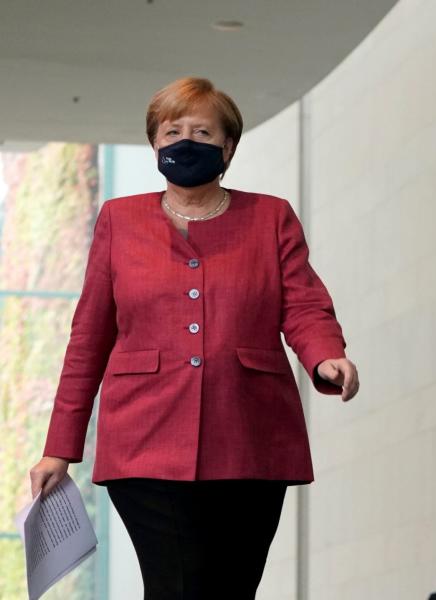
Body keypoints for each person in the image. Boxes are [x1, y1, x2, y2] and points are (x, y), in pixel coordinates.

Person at [27, 76, 359, 599]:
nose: (186, 141)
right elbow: (88, 339)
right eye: (172, 130)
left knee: (231, 589)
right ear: (154, 143)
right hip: (144, 439)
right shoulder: (119, 219)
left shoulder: (270, 217)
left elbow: (303, 303)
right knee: (175, 586)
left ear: (228, 147)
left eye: (203, 131)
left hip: (251, 437)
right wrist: (59, 449)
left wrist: (326, 356)